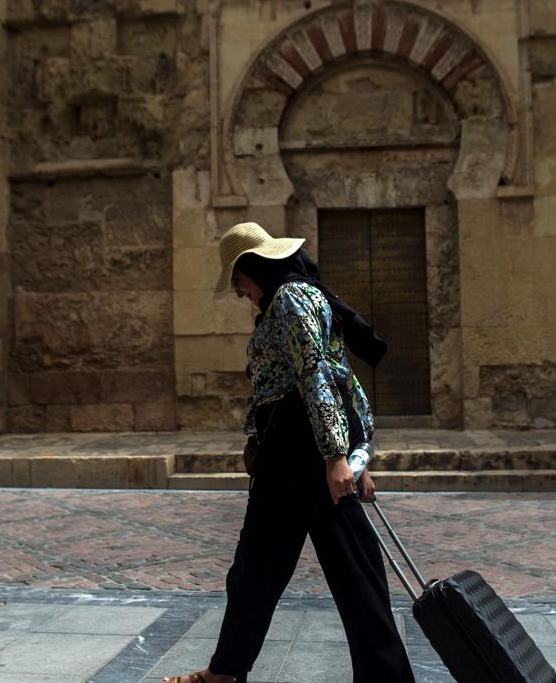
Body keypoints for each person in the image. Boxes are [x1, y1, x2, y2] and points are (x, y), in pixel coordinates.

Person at [163, 222, 415, 683]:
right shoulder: (301, 297)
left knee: (257, 568)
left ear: (251, 268)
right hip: (312, 452)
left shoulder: (289, 300)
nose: (238, 292)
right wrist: (352, 452)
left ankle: (225, 672)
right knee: (355, 571)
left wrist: (341, 455)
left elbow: (318, 374)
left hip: (294, 455)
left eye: (237, 280)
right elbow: (340, 377)